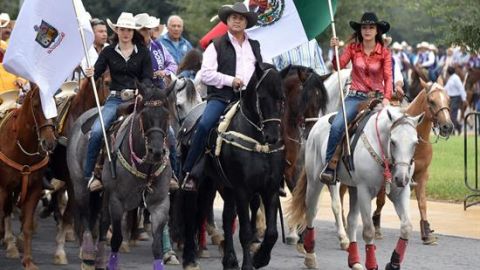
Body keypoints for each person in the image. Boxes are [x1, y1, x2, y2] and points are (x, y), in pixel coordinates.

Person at [181, 2, 261, 191]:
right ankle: (191, 172)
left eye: (241, 18)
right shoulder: (216, 44)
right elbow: (206, 74)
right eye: (234, 18)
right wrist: (230, 80)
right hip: (222, 98)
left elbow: (260, 70)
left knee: (270, 125)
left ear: (246, 22)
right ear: (227, 20)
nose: (237, 21)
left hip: (248, 100)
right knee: (204, 125)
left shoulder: (255, 46)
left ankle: (273, 175)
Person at [320, 12, 393, 184]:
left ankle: (398, 168)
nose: (367, 30)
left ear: (377, 31)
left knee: (397, 126)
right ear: (360, 30)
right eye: (364, 27)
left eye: (371, 27)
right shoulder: (353, 49)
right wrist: (334, 49)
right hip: (354, 98)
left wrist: (387, 98)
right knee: (337, 127)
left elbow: (389, 77)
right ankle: (329, 166)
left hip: (377, 99)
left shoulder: (384, 53)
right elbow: (338, 66)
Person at [83, 12, 153, 191]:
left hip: (138, 99)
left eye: (129, 29)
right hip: (115, 99)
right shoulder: (108, 51)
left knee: (165, 130)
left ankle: (169, 174)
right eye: (122, 29)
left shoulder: (143, 52)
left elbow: (147, 78)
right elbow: (96, 72)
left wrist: (142, 93)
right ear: (117, 31)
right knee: (97, 131)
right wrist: (89, 73)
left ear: (133, 31)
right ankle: (90, 174)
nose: (126, 33)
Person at [135, 13, 177, 89]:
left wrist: (164, 72)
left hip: (160, 88)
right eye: (143, 30)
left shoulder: (158, 45)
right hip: (138, 89)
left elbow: (173, 65)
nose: (146, 32)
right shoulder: (131, 48)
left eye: (148, 28)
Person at [444, 66, 467, 135]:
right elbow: (446, 88)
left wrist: (464, 99)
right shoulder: (450, 78)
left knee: (452, 115)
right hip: (450, 98)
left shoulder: (456, 78)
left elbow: (461, 88)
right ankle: (458, 127)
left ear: (448, 72)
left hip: (456, 98)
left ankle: (452, 131)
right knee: (450, 115)